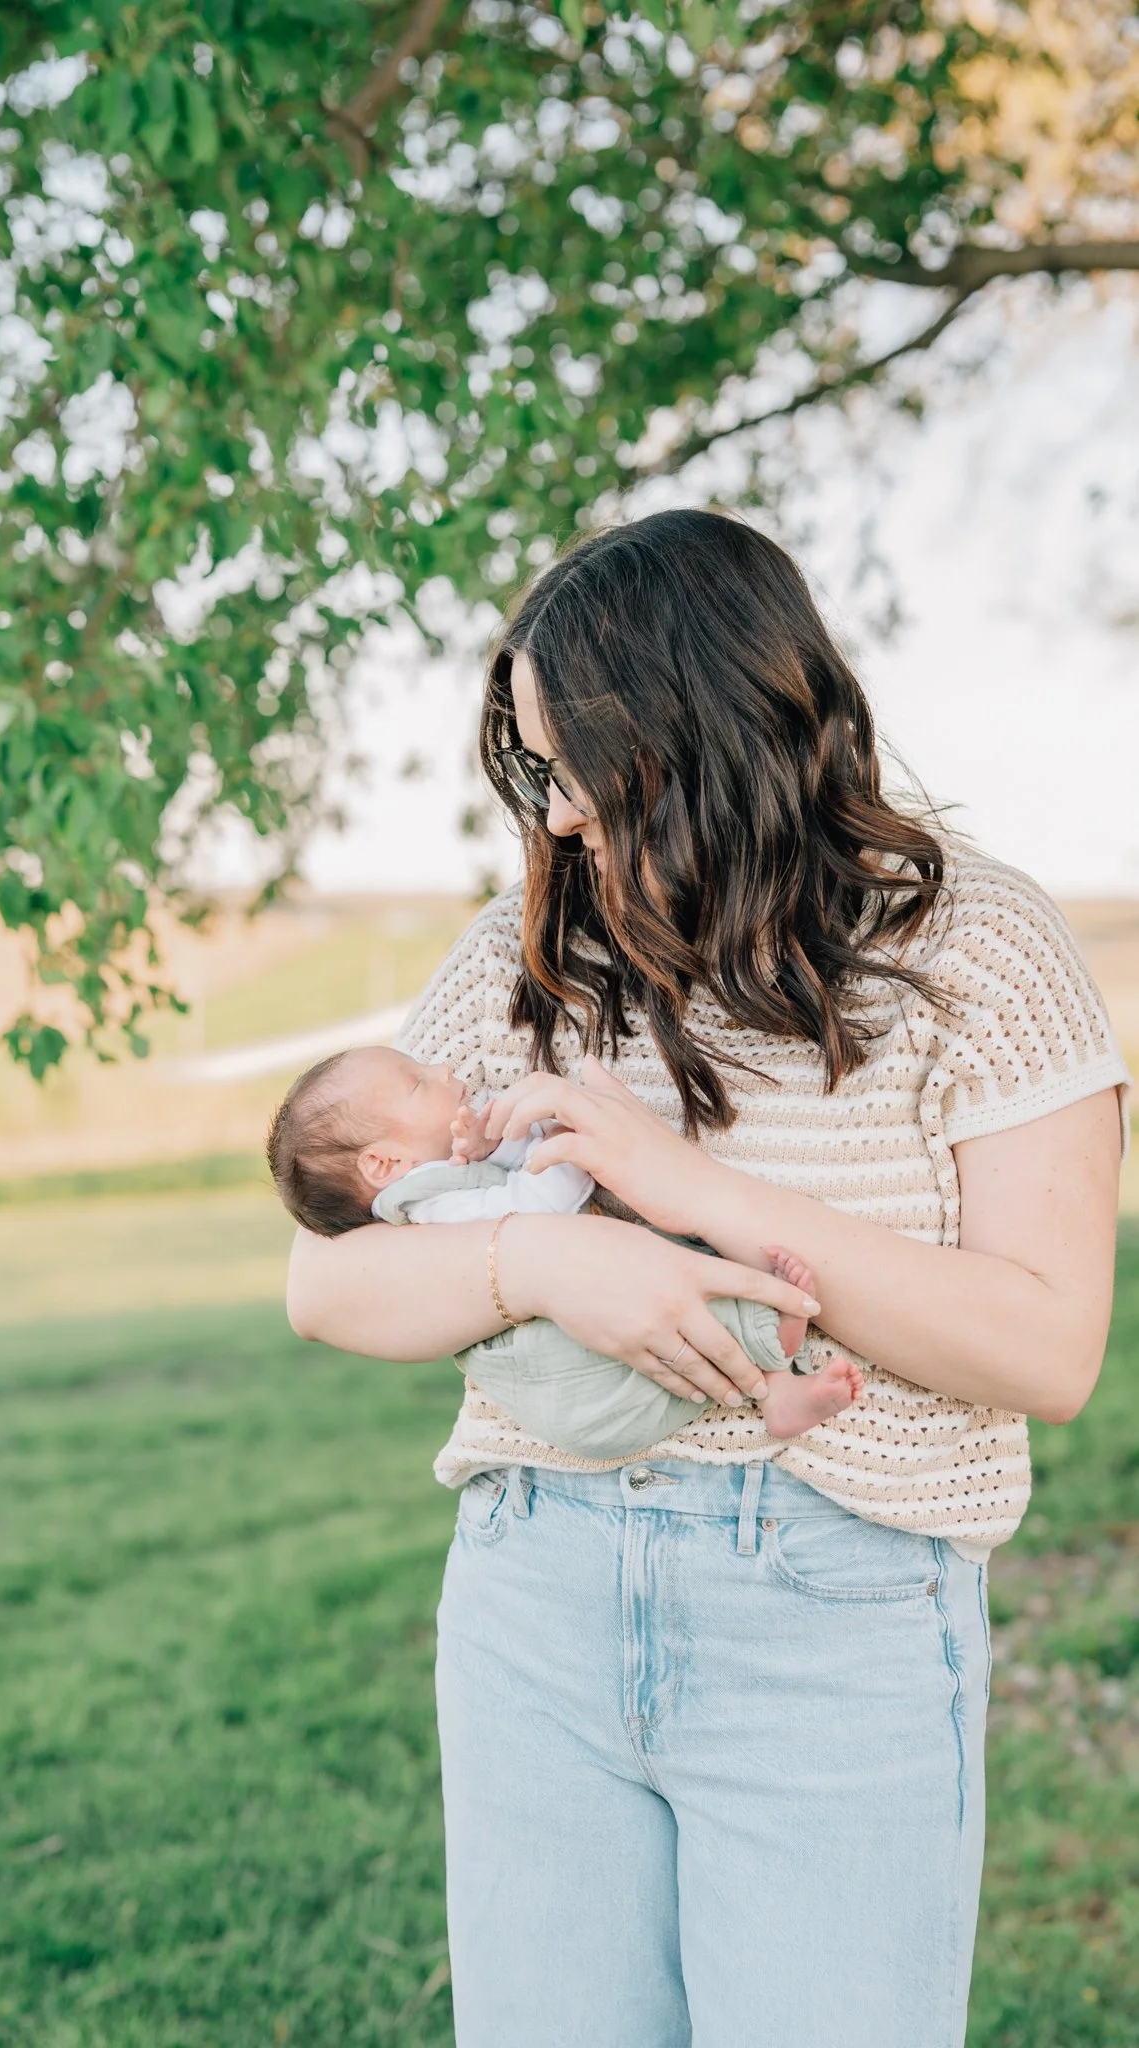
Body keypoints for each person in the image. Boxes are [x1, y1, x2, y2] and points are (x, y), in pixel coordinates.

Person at [284, 509, 1128, 2048]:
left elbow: (1047, 1348)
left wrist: (698, 1195)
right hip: (532, 1594)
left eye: (571, 768)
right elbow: (325, 1287)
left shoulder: (980, 948)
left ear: (702, 728)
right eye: (527, 772)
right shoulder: (525, 955)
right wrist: (546, 1256)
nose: (549, 820)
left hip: (836, 1601)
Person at [266, 1042, 863, 1447]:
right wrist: (573, 1146)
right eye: (419, 1084)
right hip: (570, 1380)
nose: (446, 1072)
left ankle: (777, 1385)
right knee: (673, 1307)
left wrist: (488, 1144)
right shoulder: (427, 1205)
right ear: (383, 1162)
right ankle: (770, 1368)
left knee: (673, 1290)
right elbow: (532, 1211)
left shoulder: (438, 1175)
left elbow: (500, 1177)